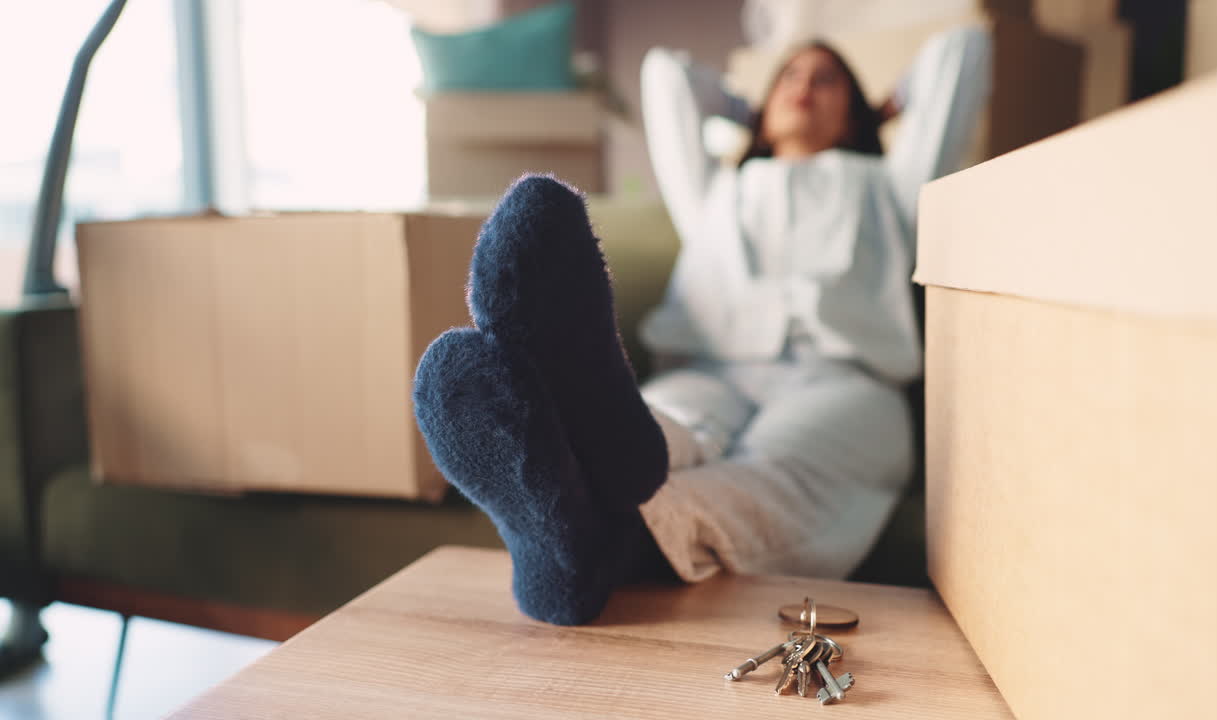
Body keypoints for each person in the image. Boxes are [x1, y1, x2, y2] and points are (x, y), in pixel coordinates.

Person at [413, 26, 992, 626]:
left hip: (845, 380)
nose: (806, 88)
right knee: (666, 427)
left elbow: (964, 50)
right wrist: (751, 110)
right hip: (709, 367)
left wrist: (887, 106)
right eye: (790, 77)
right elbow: (666, 71)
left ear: (857, 113)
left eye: (828, 81)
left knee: (778, 464)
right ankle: (574, 440)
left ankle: (577, 542)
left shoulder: (890, 187)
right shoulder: (717, 189)